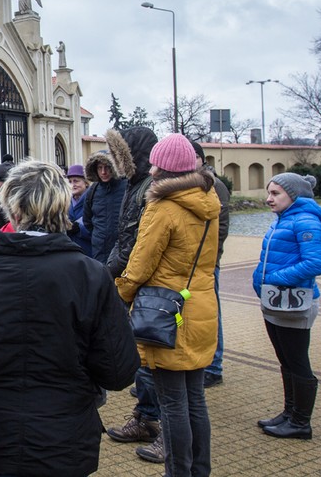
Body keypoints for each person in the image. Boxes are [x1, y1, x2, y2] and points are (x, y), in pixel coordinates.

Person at [0, 159, 139, 477]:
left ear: (11, 209)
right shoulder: (91, 275)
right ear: (61, 208)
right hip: (64, 443)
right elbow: (119, 371)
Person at [116, 133, 221, 477]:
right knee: (195, 400)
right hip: (201, 304)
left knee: (172, 403)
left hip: (166, 313)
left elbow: (140, 263)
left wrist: (120, 293)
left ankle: (178, 472)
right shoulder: (208, 201)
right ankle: (199, 469)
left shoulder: (162, 205)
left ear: (161, 167)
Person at [103, 126, 165, 462]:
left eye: (119, 153)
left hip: (153, 287)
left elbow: (137, 241)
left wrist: (113, 273)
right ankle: (145, 417)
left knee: (160, 363)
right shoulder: (136, 183)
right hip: (137, 282)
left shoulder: (150, 188)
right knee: (144, 358)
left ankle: (167, 432)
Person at [252, 173, 321, 439]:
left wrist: (273, 279)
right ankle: (289, 413)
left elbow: (315, 264)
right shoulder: (285, 218)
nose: (269, 199)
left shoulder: (305, 220)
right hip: (277, 301)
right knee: (286, 361)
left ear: (293, 195)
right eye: (269, 192)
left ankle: (300, 422)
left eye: (276, 194)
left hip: (294, 304)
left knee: (297, 362)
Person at [190, 141, 230, 389]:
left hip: (206, 263)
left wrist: (210, 258)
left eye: (192, 156)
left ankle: (214, 367)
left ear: (200, 159)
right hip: (191, 263)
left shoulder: (214, 185)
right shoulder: (190, 184)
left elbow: (221, 227)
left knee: (211, 313)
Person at [83, 148, 126, 264]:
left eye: (107, 167)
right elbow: (87, 220)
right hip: (99, 251)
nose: (103, 172)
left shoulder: (127, 187)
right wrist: (98, 236)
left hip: (122, 251)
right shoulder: (93, 190)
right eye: (99, 168)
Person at [65, 164, 91, 255]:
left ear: (86, 182)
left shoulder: (93, 199)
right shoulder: (66, 201)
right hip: (70, 251)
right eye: (70, 181)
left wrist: (79, 228)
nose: (73, 185)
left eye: (76, 181)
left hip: (88, 250)